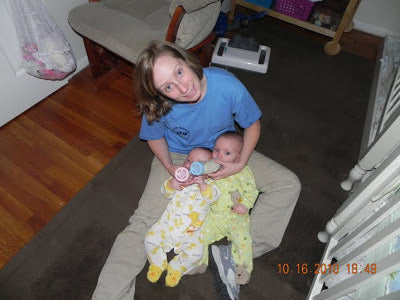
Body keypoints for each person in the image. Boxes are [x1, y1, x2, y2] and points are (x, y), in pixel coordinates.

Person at [91, 40, 301, 300]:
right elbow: (154, 137)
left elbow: (252, 123)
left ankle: (235, 253)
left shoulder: (226, 85)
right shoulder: (159, 104)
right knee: (142, 222)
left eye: (179, 72)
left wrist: (240, 162)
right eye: (168, 86)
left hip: (222, 150)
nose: (181, 87)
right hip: (180, 156)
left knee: (288, 184)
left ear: (186, 60)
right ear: (159, 93)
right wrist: (170, 166)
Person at [144, 147, 220, 287]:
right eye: (189, 160)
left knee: (196, 253)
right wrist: (171, 185)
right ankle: (157, 264)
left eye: (199, 163)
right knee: (150, 239)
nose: (191, 165)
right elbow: (165, 192)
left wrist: (203, 185)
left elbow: (213, 198)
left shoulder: (209, 185)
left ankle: (177, 268)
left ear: (209, 171)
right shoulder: (179, 179)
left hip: (191, 232)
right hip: (167, 225)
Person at [200, 131, 258, 287]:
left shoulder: (243, 170)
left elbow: (252, 190)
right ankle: (199, 260)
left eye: (226, 153)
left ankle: (242, 267)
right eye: (216, 150)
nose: (219, 155)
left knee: (243, 239)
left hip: (236, 215)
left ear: (238, 157)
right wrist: (202, 178)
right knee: (199, 234)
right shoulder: (210, 168)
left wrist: (245, 204)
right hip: (214, 215)